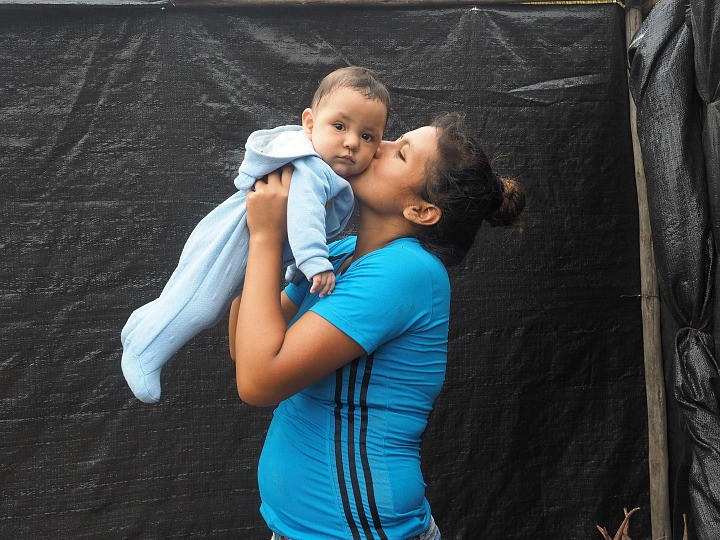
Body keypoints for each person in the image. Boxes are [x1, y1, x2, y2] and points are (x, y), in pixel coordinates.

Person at [230, 112, 526, 540]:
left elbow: (257, 380)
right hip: (302, 529)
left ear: (421, 210)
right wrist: (260, 234)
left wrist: (266, 238)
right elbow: (246, 346)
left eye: (399, 153)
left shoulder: (407, 271)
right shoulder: (339, 254)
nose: (378, 146)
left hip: (359, 532)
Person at [120, 67, 390, 404]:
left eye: (368, 137)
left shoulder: (320, 169)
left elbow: (297, 231)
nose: (351, 142)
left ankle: (139, 326)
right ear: (309, 123)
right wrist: (315, 262)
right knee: (201, 304)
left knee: (197, 295)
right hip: (237, 235)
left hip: (247, 238)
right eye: (339, 126)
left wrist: (295, 268)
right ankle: (145, 352)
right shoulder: (311, 167)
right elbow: (304, 215)